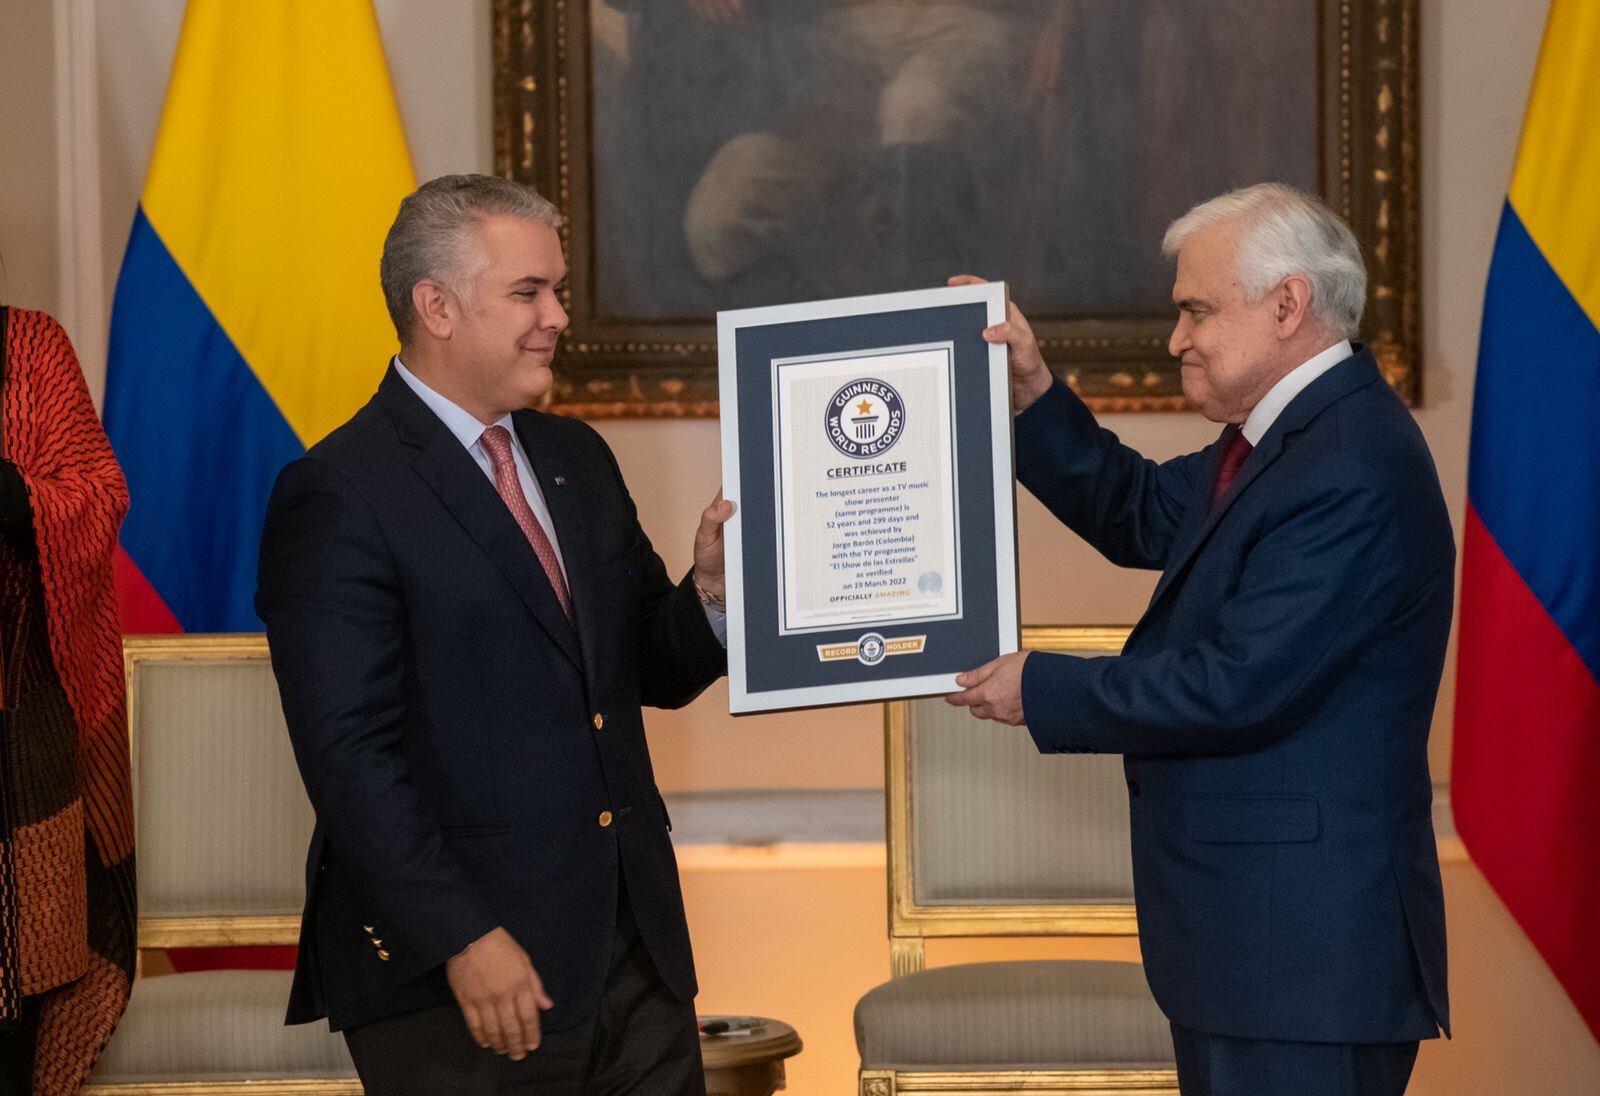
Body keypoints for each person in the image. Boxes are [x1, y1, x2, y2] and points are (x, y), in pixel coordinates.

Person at [948, 183, 1451, 1096]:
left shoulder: (1348, 466)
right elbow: (1139, 510)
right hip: (1262, 956)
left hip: (1301, 964)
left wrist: (1041, 687)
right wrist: (1031, 396)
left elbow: (1235, 685)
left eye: (1196, 310)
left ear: (1288, 304)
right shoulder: (1293, 442)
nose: (1177, 338)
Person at [257, 174, 734, 1095]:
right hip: (464, 980)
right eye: (530, 293)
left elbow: (652, 668)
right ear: (435, 306)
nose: (558, 316)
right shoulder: (339, 493)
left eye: (557, 290)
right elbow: (349, 757)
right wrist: (463, 939)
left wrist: (709, 592)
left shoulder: (574, 458)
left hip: (635, 961)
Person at [0, 304, 135, 1094]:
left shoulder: (29, 343)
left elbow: (97, 495)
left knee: (18, 1014)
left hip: (20, 748)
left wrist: (16, 496)